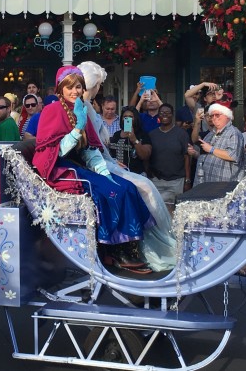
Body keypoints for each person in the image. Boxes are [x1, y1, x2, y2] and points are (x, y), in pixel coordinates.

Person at [33, 65, 153, 268]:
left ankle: (129, 247)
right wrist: (77, 129)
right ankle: (114, 250)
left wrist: (104, 171)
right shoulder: (51, 110)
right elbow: (56, 151)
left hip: (81, 166)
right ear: (60, 88)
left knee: (127, 187)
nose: (75, 91)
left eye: (79, 87)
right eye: (70, 87)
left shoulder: (81, 108)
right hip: (61, 169)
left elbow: (89, 149)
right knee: (113, 192)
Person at [78, 61, 176, 272]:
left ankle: (160, 241)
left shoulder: (89, 107)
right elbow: (86, 147)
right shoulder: (81, 109)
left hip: (103, 161)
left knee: (145, 185)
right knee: (141, 187)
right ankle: (141, 247)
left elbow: (99, 145)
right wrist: (107, 164)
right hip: (93, 165)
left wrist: (112, 162)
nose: (99, 89)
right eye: (98, 84)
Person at [188, 103, 243, 186]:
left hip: (222, 185)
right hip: (205, 183)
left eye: (217, 115)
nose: (214, 118)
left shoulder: (234, 133)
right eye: (212, 116)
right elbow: (195, 140)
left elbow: (233, 155)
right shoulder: (211, 134)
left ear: (227, 116)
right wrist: (198, 122)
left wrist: (211, 149)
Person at [148, 103, 191, 206]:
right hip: (157, 181)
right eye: (162, 113)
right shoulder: (152, 134)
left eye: (167, 113)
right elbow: (148, 157)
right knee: (157, 213)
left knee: (174, 214)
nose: (164, 115)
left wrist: (187, 180)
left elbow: (187, 157)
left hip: (176, 181)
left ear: (172, 115)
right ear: (158, 115)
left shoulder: (181, 134)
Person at [109, 106, 151, 175]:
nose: (127, 119)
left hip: (136, 175)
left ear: (136, 119)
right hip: (117, 174)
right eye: (125, 117)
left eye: (130, 117)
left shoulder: (143, 135)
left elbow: (145, 156)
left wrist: (134, 140)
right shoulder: (116, 134)